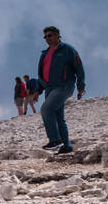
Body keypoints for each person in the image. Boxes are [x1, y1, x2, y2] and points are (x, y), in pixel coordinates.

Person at [36, 26, 86, 154]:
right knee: (58, 117)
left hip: (64, 86)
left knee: (46, 109)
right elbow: (41, 74)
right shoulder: (45, 53)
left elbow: (79, 68)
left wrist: (81, 87)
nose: (48, 38)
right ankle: (67, 146)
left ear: (58, 35)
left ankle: (55, 140)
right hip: (49, 88)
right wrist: (38, 90)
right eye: (45, 36)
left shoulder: (68, 50)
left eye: (50, 35)